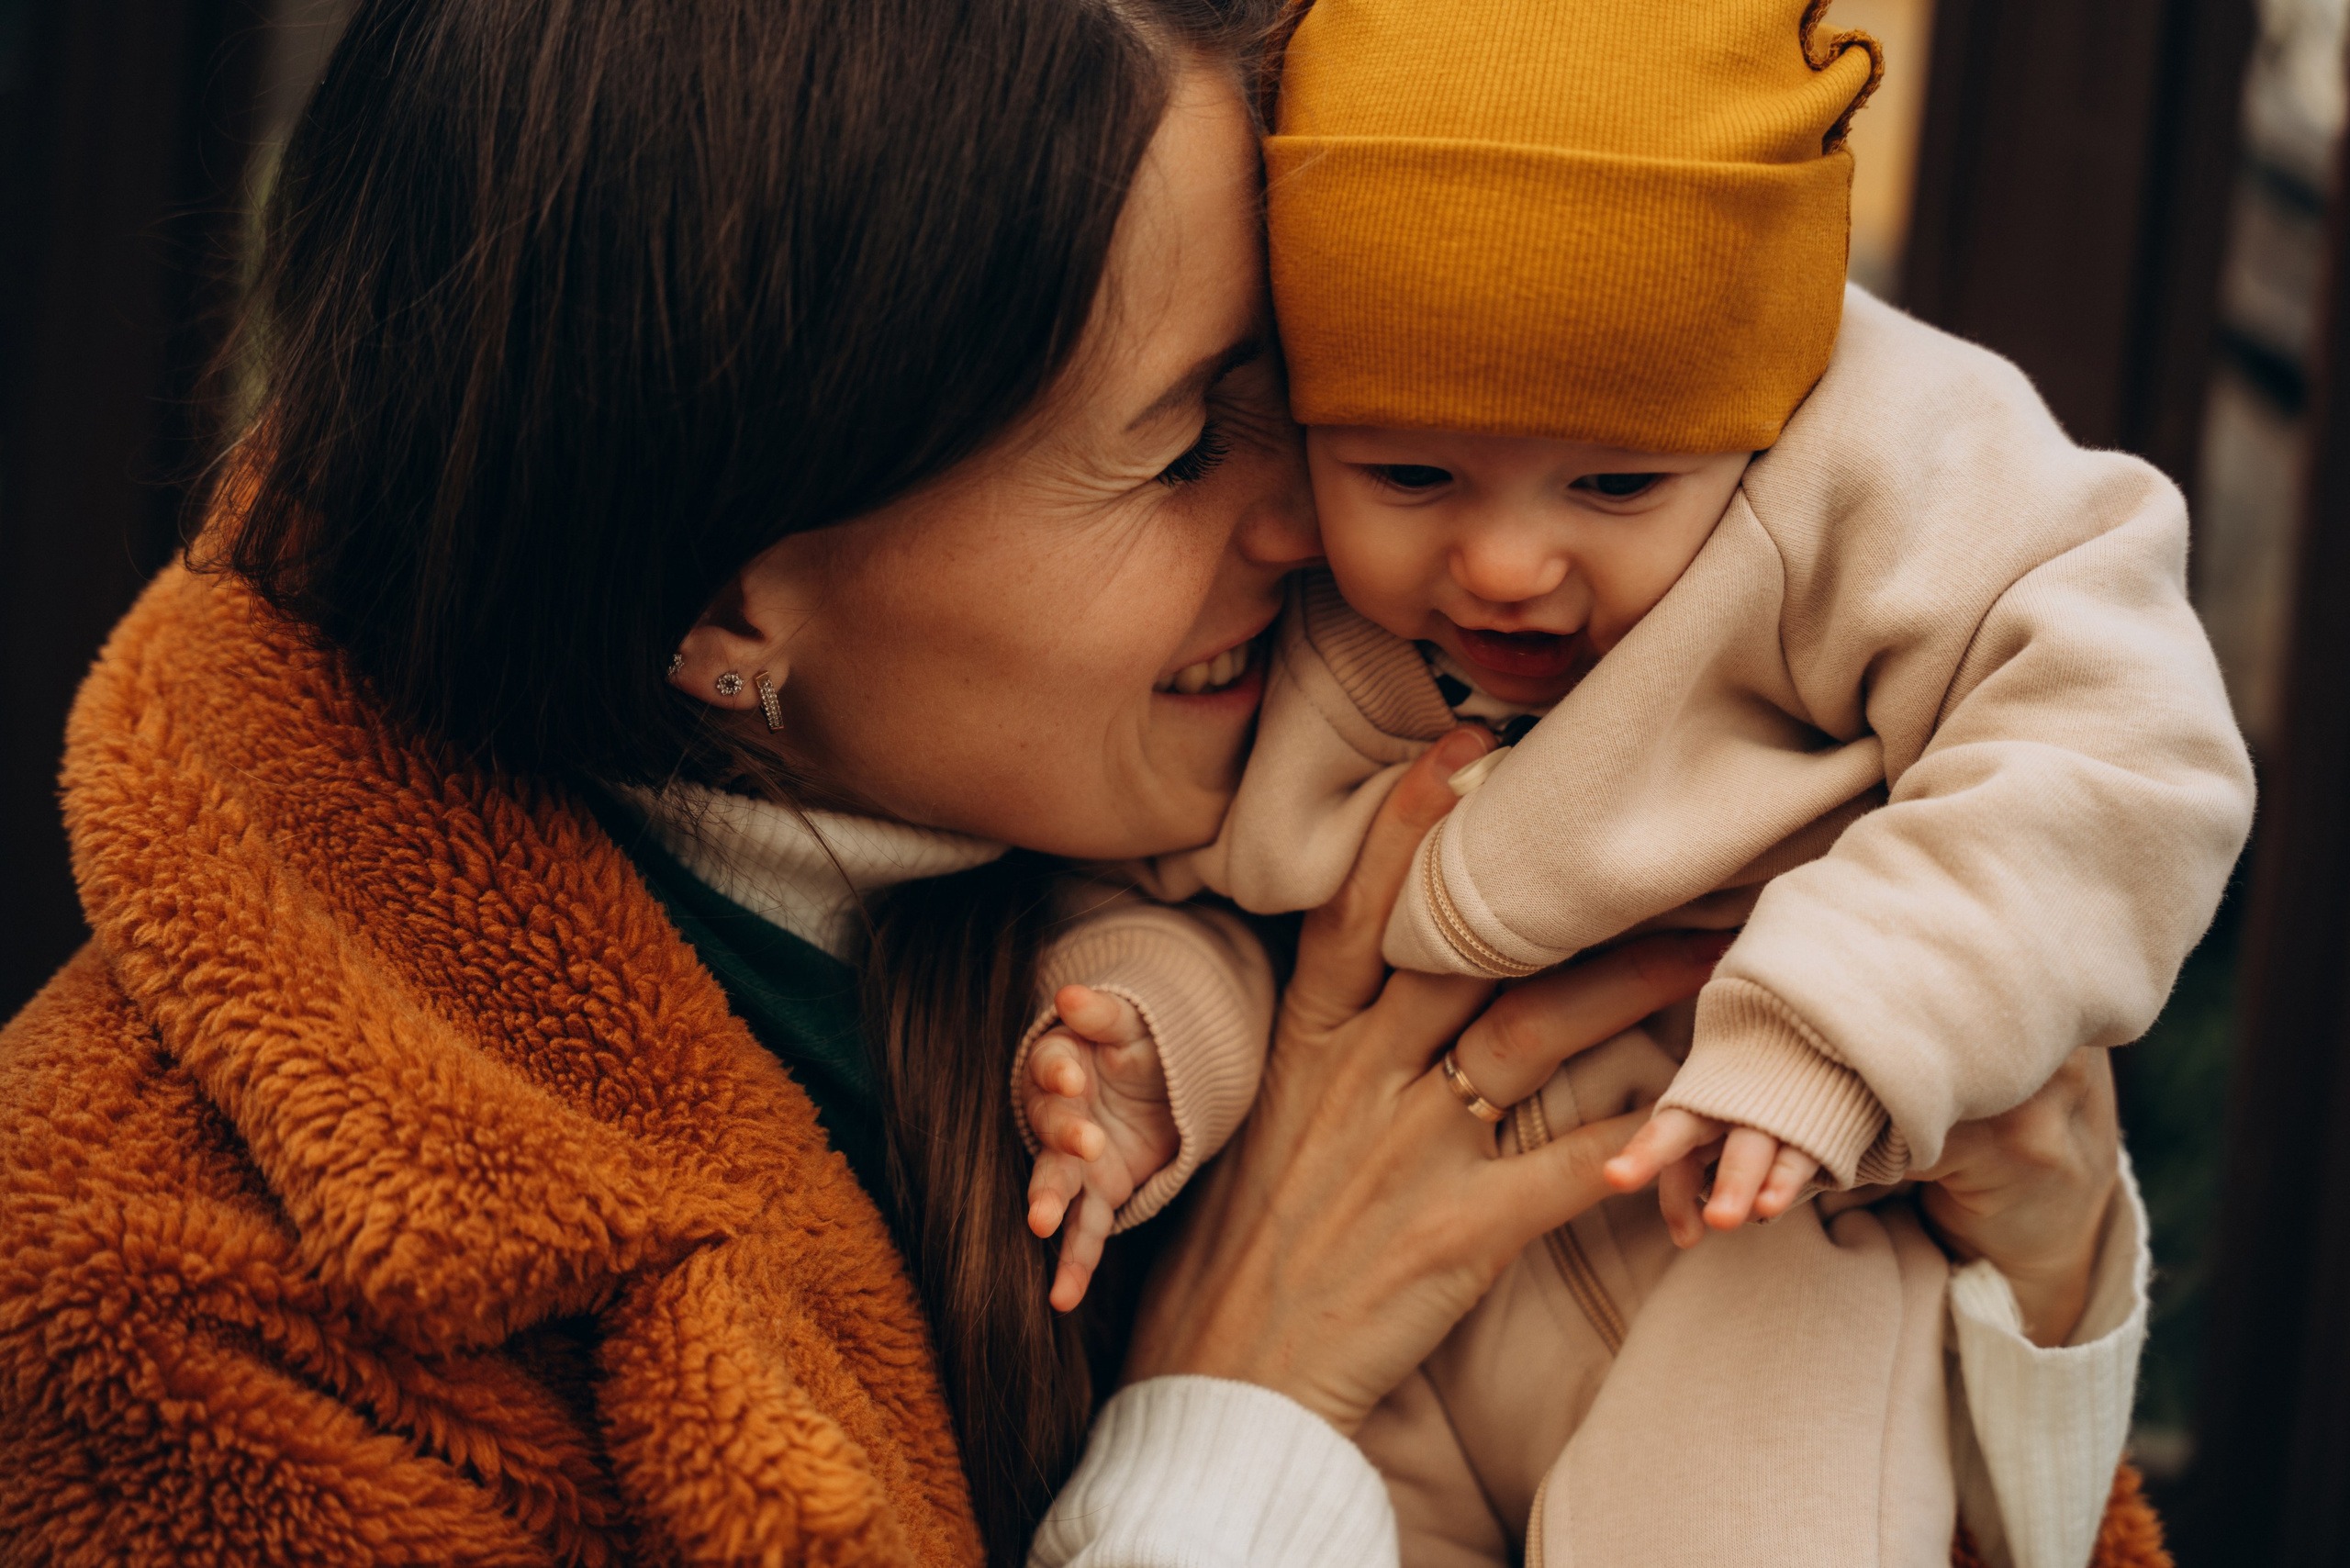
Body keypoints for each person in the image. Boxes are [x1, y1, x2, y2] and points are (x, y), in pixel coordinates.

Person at [0, 2, 2166, 1565]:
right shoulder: (164, 1288)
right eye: (1176, 438)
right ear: (720, 599)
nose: (1317, 533)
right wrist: (1239, 1411)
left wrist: (2040, 1293)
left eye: (1293, 407)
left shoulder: (1185, 844)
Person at [1012, 1, 2248, 1562]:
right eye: (1409, 474)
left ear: (1761, 408)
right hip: (1385, 1360)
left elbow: (2120, 747)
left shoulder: (1868, 468)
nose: (1510, 564)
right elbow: (1193, 891)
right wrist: (1149, 1049)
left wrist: (1838, 1027)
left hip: (1750, 1253)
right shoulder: (1282, 623)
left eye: (1615, 483)